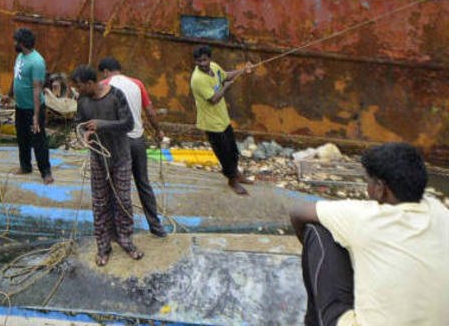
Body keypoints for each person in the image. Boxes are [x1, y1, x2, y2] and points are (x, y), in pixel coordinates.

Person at [289, 143, 449, 326]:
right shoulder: (441, 213)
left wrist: (311, 253)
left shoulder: (363, 216)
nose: (367, 189)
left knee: (318, 231)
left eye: (369, 182)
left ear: (381, 188)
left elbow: (297, 213)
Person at [71, 65, 143, 267]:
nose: (77, 90)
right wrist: (83, 133)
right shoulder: (82, 101)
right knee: (100, 203)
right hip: (98, 159)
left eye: (79, 86)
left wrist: (102, 124)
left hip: (120, 157)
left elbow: (128, 124)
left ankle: (126, 240)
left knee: (123, 201)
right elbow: (79, 124)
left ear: (90, 83)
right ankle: (103, 246)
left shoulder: (116, 95)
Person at [98, 57, 167, 237]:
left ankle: (120, 231)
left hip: (118, 142)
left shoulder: (103, 85)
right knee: (143, 182)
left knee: (118, 187)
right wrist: (159, 131)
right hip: (138, 140)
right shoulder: (137, 84)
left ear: (105, 71)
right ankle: (156, 227)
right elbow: (150, 112)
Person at [189, 45, 252, 195]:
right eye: (198, 61)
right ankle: (232, 180)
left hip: (223, 118)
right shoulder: (197, 79)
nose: (202, 64)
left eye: (204, 60)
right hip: (211, 123)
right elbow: (213, 99)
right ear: (195, 62)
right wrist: (226, 88)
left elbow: (226, 75)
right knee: (224, 155)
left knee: (233, 151)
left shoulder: (215, 67)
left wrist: (242, 70)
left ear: (209, 59)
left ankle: (236, 174)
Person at [2, 27, 53, 184]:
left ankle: (45, 172)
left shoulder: (36, 62)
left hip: (33, 109)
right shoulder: (20, 57)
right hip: (20, 106)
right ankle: (25, 166)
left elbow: (37, 89)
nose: (14, 43)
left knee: (38, 140)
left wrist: (36, 116)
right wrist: (9, 95)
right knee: (22, 137)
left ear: (22, 43)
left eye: (15, 41)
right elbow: (16, 77)